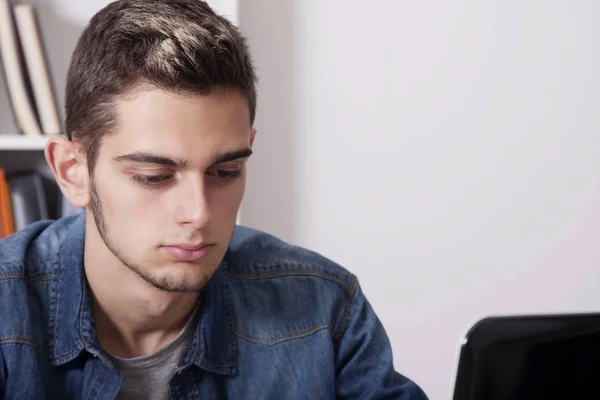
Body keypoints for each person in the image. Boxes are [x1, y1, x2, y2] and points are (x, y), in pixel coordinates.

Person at [0, 1, 428, 398]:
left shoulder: (325, 309)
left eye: (225, 172)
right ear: (72, 171)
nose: (199, 213)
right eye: (154, 176)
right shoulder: (7, 310)